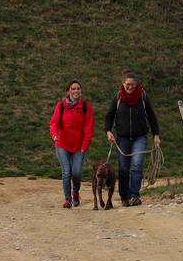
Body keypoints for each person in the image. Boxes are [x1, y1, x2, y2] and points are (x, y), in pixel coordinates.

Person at [104, 70, 160, 207]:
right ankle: (124, 196)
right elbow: (109, 115)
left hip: (139, 137)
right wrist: (108, 131)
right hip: (122, 137)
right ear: (123, 84)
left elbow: (152, 116)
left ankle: (134, 195)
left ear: (137, 84)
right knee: (123, 168)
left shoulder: (143, 97)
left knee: (136, 165)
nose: (130, 87)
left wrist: (156, 135)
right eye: (127, 84)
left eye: (133, 85)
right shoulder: (118, 97)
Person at [49, 80, 94, 208]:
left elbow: (89, 128)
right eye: (73, 89)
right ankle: (68, 199)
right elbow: (54, 122)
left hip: (79, 147)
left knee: (77, 173)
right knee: (67, 172)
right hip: (62, 144)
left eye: (78, 88)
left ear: (81, 91)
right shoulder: (61, 105)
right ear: (68, 91)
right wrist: (54, 135)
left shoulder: (85, 106)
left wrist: (85, 145)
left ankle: (76, 193)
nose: (76, 91)